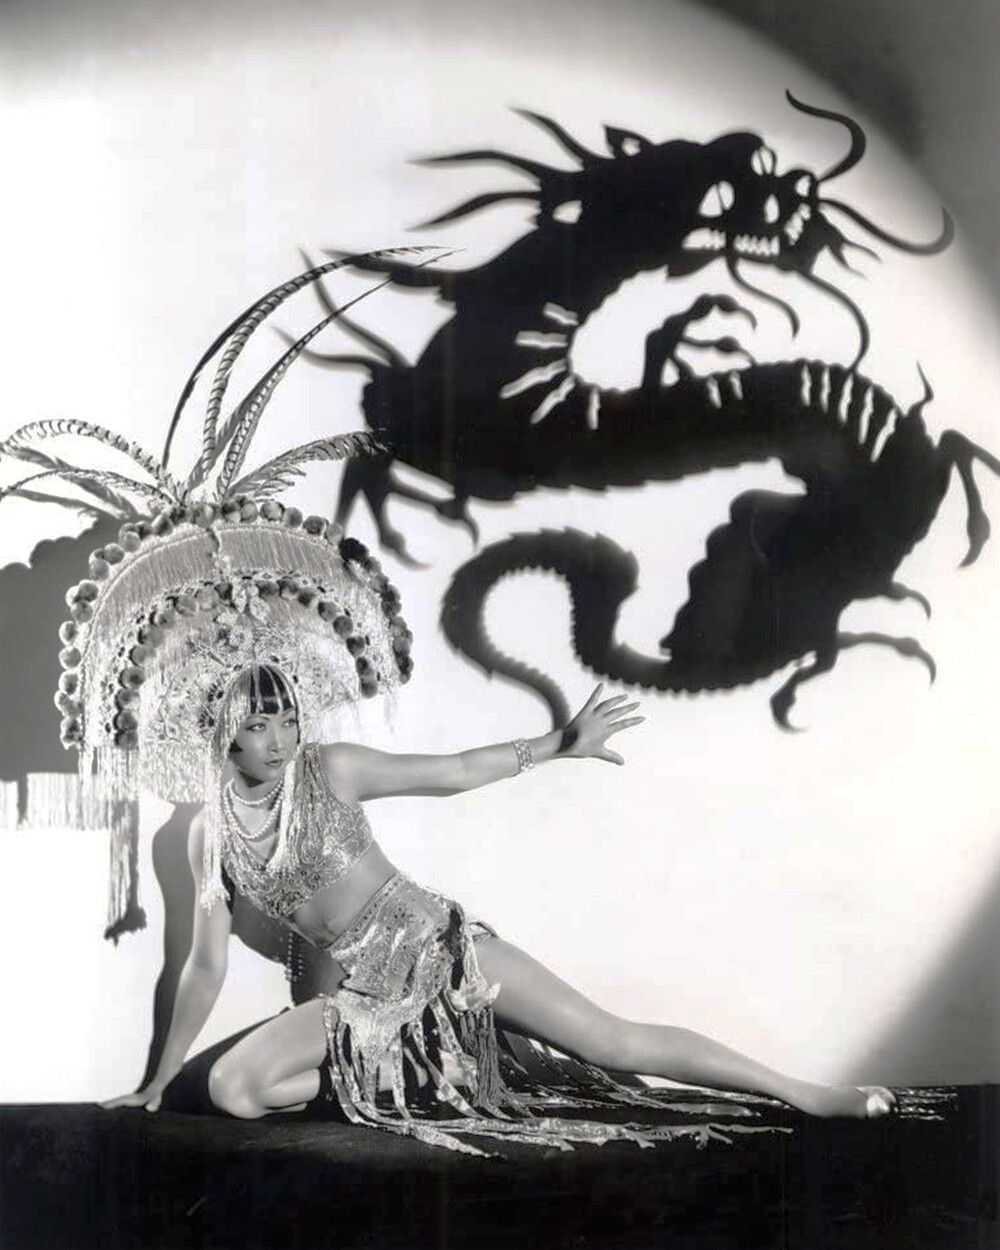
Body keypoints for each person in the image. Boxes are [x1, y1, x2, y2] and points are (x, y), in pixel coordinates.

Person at [99, 663, 896, 1152]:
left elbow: (451, 770)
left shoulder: (330, 769)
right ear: (224, 733)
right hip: (360, 999)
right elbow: (202, 965)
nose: (278, 740)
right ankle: (419, 1071)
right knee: (236, 1088)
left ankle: (807, 1092)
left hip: (439, 954)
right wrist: (159, 1080)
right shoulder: (209, 835)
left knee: (611, 1042)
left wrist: (558, 743)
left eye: (287, 719)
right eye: (257, 725)